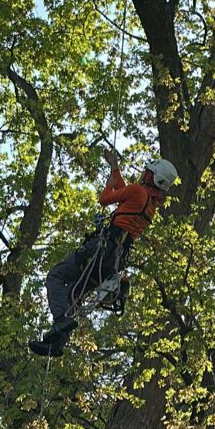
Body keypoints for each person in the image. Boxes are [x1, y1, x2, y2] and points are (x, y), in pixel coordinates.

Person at [29, 149, 178, 356]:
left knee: (56, 276)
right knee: (74, 294)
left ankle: (61, 320)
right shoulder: (149, 205)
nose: (144, 174)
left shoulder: (138, 192)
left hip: (102, 249)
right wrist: (114, 167)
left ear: (153, 177)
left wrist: (109, 181)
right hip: (114, 262)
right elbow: (124, 194)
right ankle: (57, 342)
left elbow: (105, 198)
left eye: (148, 172)